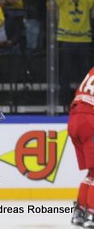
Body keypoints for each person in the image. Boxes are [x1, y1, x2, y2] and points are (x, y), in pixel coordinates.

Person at [68, 67, 94, 228]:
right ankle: (91, 213)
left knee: (92, 172)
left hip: (75, 119)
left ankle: (79, 211)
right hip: (89, 121)